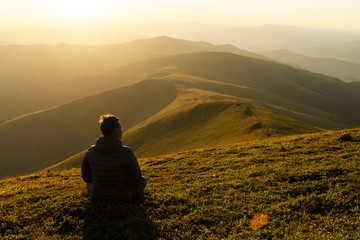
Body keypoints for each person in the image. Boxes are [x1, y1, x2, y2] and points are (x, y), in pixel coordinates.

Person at [81, 114, 147, 204]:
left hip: (97, 197)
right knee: (143, 180)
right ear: (115, 131)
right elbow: (136, 181)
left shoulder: (91, 152)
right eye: (120, 127)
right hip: (122, 198)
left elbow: (86, 178)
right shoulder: (127, 153)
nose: (122, 130)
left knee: (89, 184)